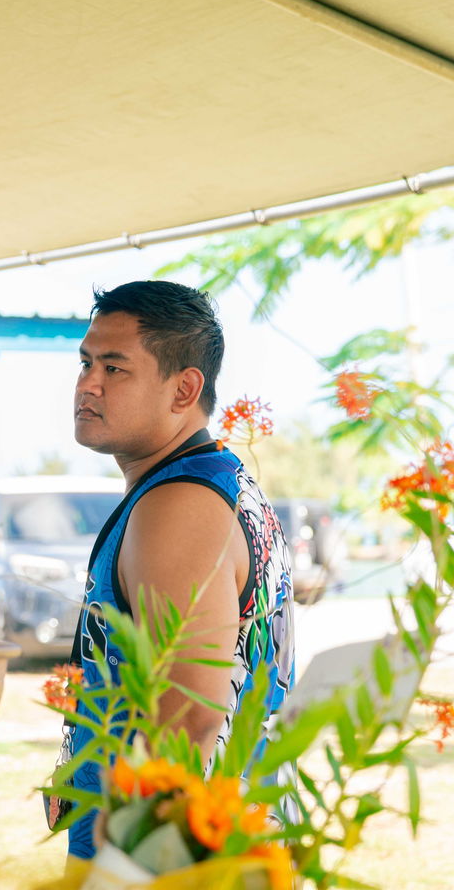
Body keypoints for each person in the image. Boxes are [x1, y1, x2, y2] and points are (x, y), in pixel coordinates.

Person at [58, 280, 294, 860]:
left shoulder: (178, 507)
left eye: (115, 368)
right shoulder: (221, 486)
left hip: (175, 872)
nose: (88, 383)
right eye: (87, 362)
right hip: (219, 850)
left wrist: (128, 881)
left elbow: (188, 720)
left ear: (184, 388)